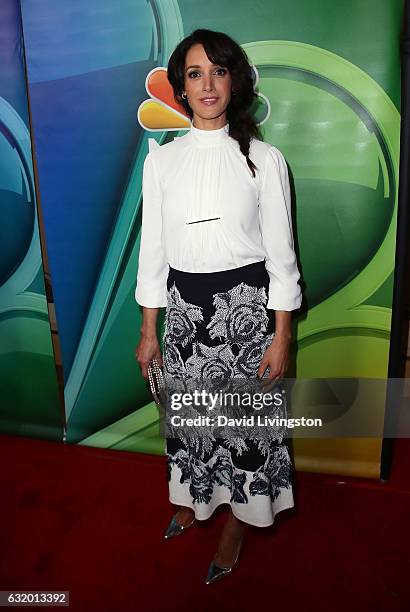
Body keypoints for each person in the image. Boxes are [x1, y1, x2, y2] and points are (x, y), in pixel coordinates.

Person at [135, 28, 302, 584]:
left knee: (245, 429)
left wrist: (282, 336)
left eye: (218, 72)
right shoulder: (160, 162)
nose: (207, 85)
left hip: (248, 315)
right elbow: (153, 254)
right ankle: (196, 500)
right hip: (182, 316)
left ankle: (239, 520)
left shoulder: (263, 159)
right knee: (193, 423)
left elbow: (282, 258)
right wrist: (148, 329)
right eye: (194, 74)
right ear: (180, 88)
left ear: (235, 81)